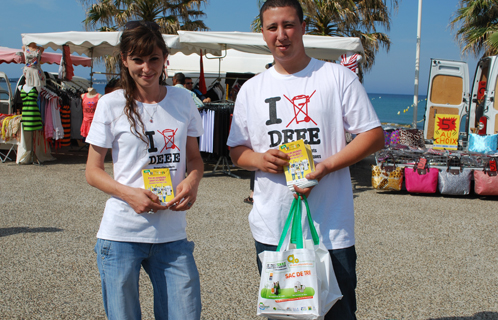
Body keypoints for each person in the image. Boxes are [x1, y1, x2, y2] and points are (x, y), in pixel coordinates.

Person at [226, 1, 385, 319]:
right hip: (273, 228)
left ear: (302, 27)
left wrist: (326, 166)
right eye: (272, 27)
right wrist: (260, 160)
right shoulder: (251, 90)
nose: (281, 35)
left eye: (288, 25)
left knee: (338, 313)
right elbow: (236, 150)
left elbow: (373, 136)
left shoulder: (336, 77)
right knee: (285, 313)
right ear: (263, 33)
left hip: (330, 228)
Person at [85, 20, 204, 320]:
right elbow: (92, 171)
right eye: (137, 59)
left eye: (153, 58)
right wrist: (130, 195)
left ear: (165, 58)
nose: (146, 68)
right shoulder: (110, 104)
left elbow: (195, 160)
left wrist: (192, 182)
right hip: (121, 233)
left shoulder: (184, 101)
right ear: (124, 60)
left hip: (172, 236)